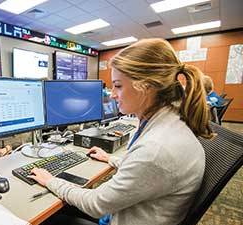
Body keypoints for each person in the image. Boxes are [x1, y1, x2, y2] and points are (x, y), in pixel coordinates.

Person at [30, 38, 213, 225]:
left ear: (146, 87)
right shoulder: (170, 122)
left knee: (49, 218)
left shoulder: (156, 149)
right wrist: (111, 159)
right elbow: (145, 171)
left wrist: (50, 180)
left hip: (118, 218)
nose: (111, 94)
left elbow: (95, 204)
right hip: (133, 212)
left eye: (118, 85)